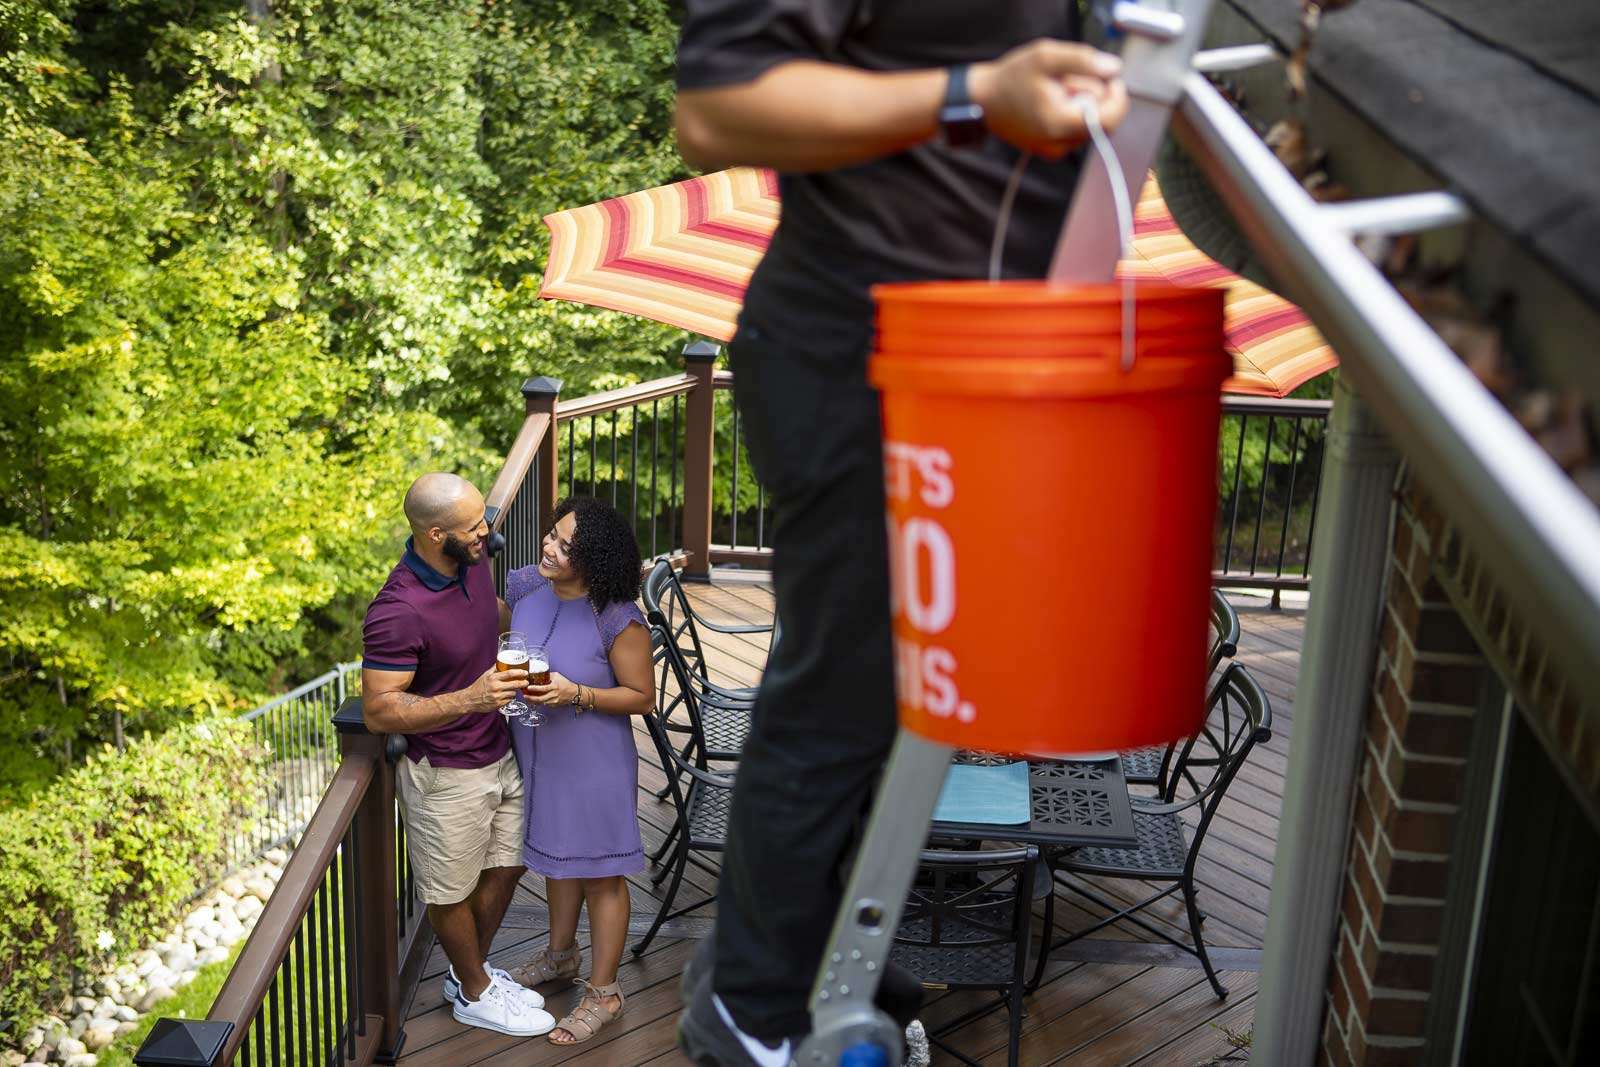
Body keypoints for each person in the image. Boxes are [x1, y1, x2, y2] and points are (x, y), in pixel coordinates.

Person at [671, 4, 1129, 1064]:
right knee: (845, 688)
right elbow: (720, 103)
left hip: (979, 363)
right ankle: (751, 1005)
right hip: (856, 353)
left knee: (907, 694)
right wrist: (976, 92)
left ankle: (836, 958)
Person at [360, 472, 556, 1038]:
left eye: (485, 521)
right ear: (434, 533)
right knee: (449, 890)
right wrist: (470, 698)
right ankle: (474, 991)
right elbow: (380, 710)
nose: (487, 534)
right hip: (444, 771)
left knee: (512, 860)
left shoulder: (470, 561)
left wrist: (543, 618)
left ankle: (469, 974)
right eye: (474, 527)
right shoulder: (397, 610)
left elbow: (486, 613)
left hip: (498, 749)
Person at [500, 497, 654, 1046]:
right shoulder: (524, 588)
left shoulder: (616, 616)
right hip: (536, 750)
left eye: (567, 546)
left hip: (592, 761)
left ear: (594, 560)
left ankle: (605, 992)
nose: (550, 547)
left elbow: (642, 698)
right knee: (555, 858)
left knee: (601, 874)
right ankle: (561, 957)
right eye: (551, 535)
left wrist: (576, 693)